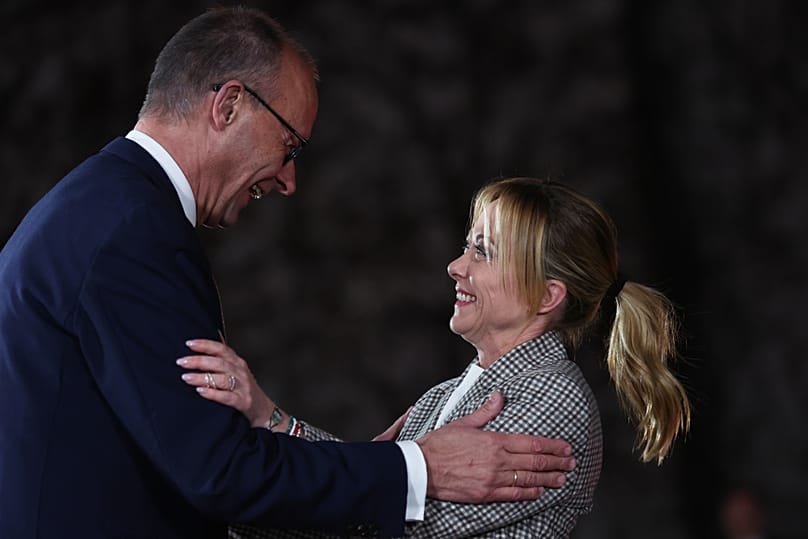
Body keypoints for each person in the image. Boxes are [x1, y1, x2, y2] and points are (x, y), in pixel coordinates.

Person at [0, 9, 578, 539]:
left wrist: (276, 421)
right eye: (289, 146)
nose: (287, 180)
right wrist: (417, 467)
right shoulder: (131, 231)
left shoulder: (100, 206)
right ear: (227, 105)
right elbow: (220, 475)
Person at [178, 177, 693, 537]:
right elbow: (370, 485)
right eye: (467, 246)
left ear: (546, 296)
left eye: (483, 252)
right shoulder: (446, 396)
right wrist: (267, 417)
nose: (454, 266)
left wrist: (233, 488)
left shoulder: (552, 399)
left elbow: (377, 516)